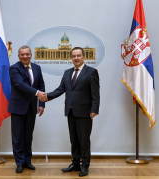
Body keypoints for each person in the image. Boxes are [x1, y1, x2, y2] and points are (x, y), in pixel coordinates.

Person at [41, 47, 100, 177]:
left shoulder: (91, 72)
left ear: (83, 57)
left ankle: (85, 165)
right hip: (70, 111)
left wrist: (94, 109)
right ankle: (75, 163)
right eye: (74, 56)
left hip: (85, 112)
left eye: (79, 55)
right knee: (74, 139)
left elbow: (95, 93)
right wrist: (47, 97)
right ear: (71, 58)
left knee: (84, 140)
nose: (76, 58)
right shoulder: (67, 72)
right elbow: (60, 89)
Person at [8, 45, 47, 173]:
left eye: (27, 54)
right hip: (18, 108)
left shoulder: (37, 68)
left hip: (31, 108)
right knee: (18, 137)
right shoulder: (14, 68)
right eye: (22, 54)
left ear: (31, 55)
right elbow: (20, 84)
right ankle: (19, 162)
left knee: (28, 136)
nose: (25, 56)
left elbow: (41, 84)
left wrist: (41, 104)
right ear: (18, 56)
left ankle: (27, 161)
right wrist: (37, 93)